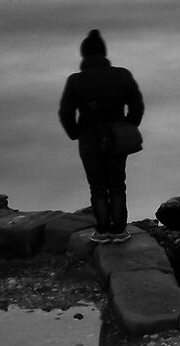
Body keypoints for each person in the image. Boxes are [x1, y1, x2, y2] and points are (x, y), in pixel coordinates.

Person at [58, 28, 144, 242]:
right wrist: (128, 125)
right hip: (117, 137)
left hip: (89, 139)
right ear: (104, 53)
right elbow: (137, 105)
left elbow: (66, 113)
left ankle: (103, 230)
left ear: (84, 55)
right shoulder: (122, 75)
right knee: (117, 184)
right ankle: (120, 231)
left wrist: (75, 133)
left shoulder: (76, 81)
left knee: (97, 186)